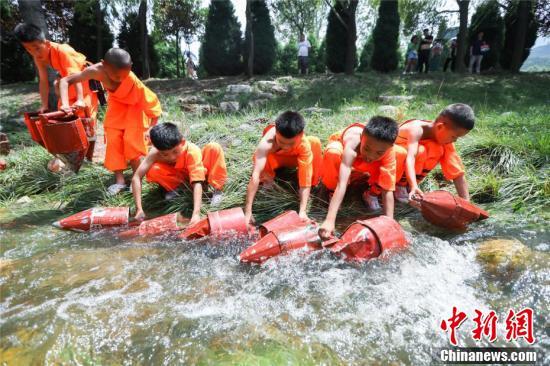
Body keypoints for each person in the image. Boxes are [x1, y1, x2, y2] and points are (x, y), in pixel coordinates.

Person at [59, 48, 162, 195]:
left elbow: (153, 103)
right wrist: (64, 103)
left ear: (130, 67)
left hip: (134, 108)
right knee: (113, 140)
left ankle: (136, 178)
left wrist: (151, 127)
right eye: (116, 75)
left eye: (124, 75)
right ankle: (119, 181)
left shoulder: (133, 82)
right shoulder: (95, 71)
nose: (120, 79)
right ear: (104, 64)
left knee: (131, 143)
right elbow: (66, 80)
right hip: (116, 106)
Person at [13, 22, 100, 171]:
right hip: (67, 85)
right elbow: (43, 81)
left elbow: (75, 76)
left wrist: (79, 99)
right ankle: (73, 158)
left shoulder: (63, 51)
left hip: (83, 84)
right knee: (63, 120)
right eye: (28, 49)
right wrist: (44, 105)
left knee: (87, 121)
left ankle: (88, 160)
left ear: (46, 43)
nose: (35, 53)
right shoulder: (38, 57)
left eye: (37, 48)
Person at [318, 116, 407, 240]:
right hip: (343, 154)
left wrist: (389, 224)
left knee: (401, 153)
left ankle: (372, 193)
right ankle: (331, 192)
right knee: (333, 153)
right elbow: (342, 183)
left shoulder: (388, 151)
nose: (370, 156)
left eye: (379, 153)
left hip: (366, 160)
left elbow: (388, 189)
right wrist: (329, 220)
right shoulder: (352, 145)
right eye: (367, 148)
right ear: (361, 137)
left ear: (390, 146)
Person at [131, 122, 227, 224]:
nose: (172, 157)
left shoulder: (191, 151)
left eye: (175, 152)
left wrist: (196, 214)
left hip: (201, 176)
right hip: (182, 177)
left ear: (182, 142)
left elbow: (197, 182)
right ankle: (179, 190)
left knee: (214, 148)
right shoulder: (155, 153)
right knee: (153, 169)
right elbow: (136, 177)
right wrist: (139, 209)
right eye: (165, 154)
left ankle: (218, 191)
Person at [244, 111, 322, 225]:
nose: (285, 146)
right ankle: (268, 182)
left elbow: (305, 181)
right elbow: (255, 175)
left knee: (314, 142)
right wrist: (248, 211)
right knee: (259, 159)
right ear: (276, 131)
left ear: (300, 135)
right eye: (281, 142)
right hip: (274, 160)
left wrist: (303, 211)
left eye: (290, 144)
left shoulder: (304, 144)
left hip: (294, 160)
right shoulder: (266, 143)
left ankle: (314, 187)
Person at [394, 104, 475, 205]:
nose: (455, 141)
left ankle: (406, 188)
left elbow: (457, 171)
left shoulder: (444, 138)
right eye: (454, 136)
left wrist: (466, 203)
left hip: (405, 177)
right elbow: (410, 158)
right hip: (380, 166)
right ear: (440, 126)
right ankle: (389, 189)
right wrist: (414, 186)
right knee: (421, 151)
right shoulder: (416, 129)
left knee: (437, 149)